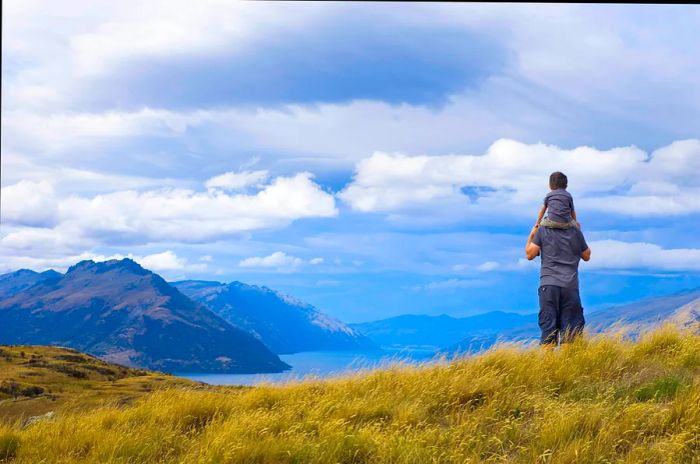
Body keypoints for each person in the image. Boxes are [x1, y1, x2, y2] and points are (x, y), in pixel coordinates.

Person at [525, 178, 591, 345]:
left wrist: (532, 234)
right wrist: (578, 230)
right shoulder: (575, 232)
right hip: (570, 287)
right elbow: (587, 256)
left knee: (548, 332)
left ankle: (549, 368)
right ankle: (568, 368)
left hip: (549, 285)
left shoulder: (543, 230)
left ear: (550, 186)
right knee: (571, 333)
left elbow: (530, 254)